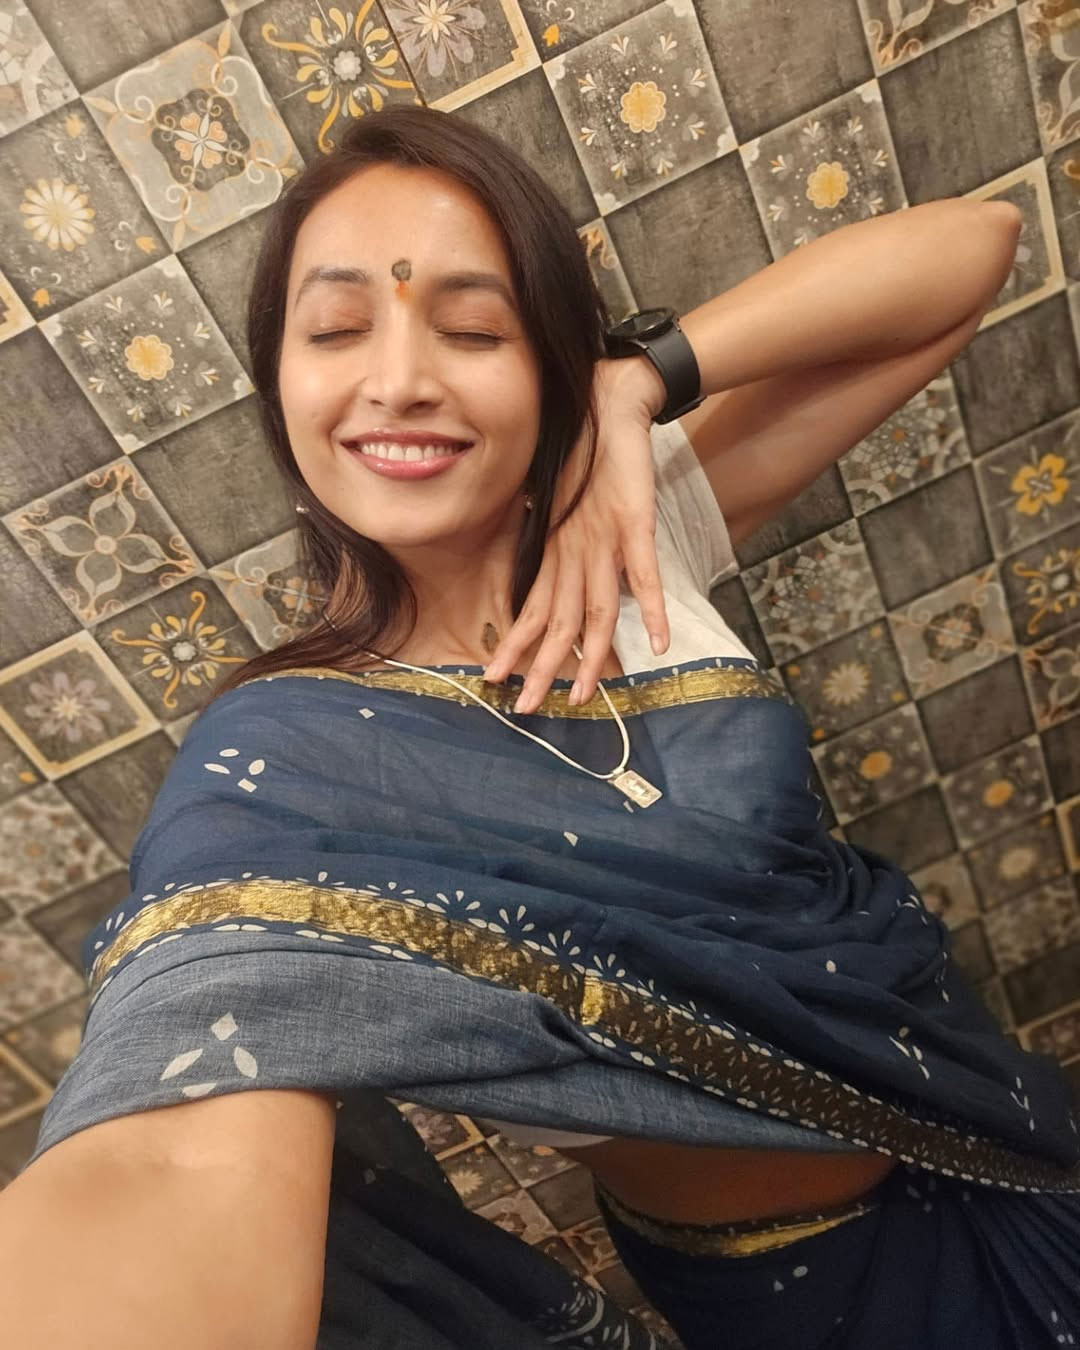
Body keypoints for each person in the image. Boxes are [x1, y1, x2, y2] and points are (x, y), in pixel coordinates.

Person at [3, 106, 1077, 1350]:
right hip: (812, 1286)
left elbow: (974, 247)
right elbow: (174, 1155)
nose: (399, 379)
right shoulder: (276, 771)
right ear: (279, 379)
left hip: (993, 1115)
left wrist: (637, 383)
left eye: (473, 330)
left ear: (547, 363)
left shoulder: (629, 534)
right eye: (336, 329)